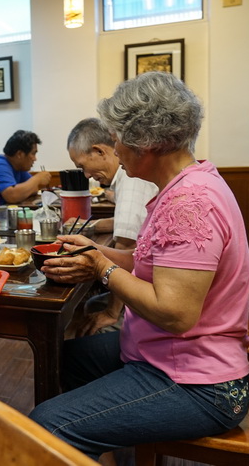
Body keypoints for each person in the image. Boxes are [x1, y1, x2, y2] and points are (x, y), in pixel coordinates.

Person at [28, 72, 249, 461]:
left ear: (144, 143)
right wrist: (97, 251)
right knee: (60, 359)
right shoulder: (185, 186)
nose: (114, 145)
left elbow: (176, 312)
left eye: (116, 137)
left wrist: (101, 267)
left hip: (201, 384)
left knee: (48, 425)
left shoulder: (190, 203)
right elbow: (155, 265)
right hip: (164, 356)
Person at [66, 118, 158, 335]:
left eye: (82, 166)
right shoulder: (134, 175)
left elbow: (128, 253)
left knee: (95, 315)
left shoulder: (131, 179)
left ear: (99, 151)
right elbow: (134, 224)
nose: (86, 176)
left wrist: (111, 313)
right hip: (153, 282)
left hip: (151, 295)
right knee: (92, 304)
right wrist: (91, 227)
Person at [0, 130, 52, 213]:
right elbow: (12, 196)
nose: (35, 159)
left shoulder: (18, 167)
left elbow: (33, 189)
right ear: (19, 154)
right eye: (33, 154)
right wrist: (37, 179)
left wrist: (31, 185)